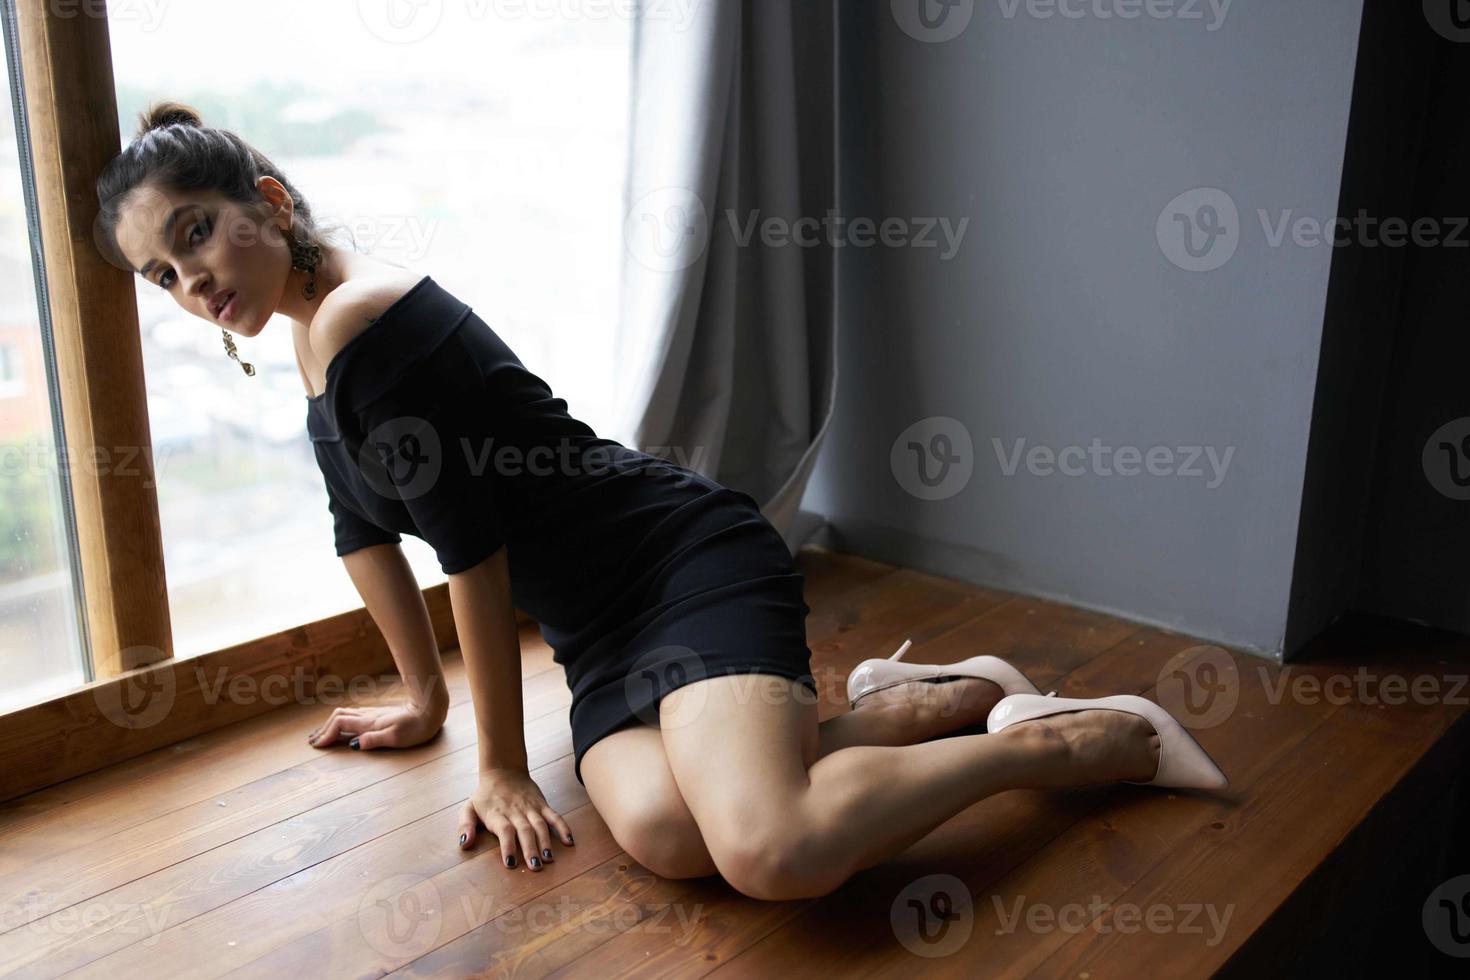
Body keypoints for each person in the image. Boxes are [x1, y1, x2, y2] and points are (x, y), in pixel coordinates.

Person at [95, 102, 1226, 901]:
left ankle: (1064, 746)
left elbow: (472, 551)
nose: (191, 282)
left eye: (194, 231)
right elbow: (362, 533)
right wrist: (425, 705)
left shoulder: (364, 316)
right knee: (672, 833)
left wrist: (496, 762)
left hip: (681, 563)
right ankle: (949, 698)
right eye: (162, 273)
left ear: (271, 197)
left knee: (772, 847)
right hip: (600, 636)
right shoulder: (310, 348)